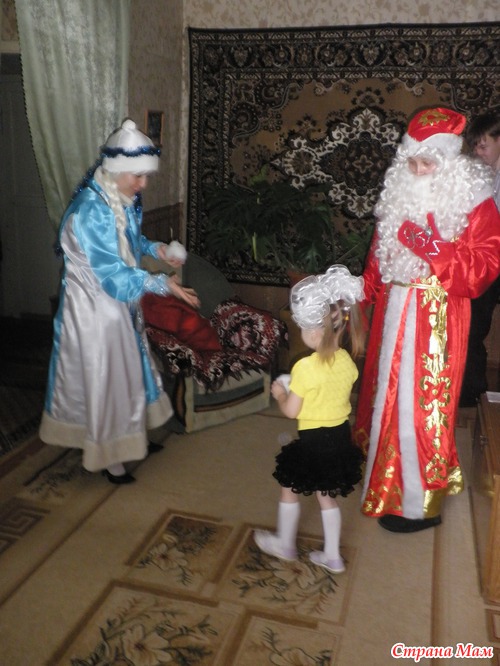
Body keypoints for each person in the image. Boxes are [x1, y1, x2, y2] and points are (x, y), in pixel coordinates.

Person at [353, 106, 500, 533]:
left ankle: (419, 504)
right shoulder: (400, 195)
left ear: (450, 163)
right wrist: (360, 294)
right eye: (412, 162)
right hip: (392, 312)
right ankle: (387, 486)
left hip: (438, 316)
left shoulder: (475, 202)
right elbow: (378, 258)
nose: (417, 172)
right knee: (384, 399)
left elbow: (483, 269)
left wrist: (430, 246)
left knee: (423, 408)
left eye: (428, 164)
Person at [39, 118, 199, 484]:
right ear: (116, 169)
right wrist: (162, 284)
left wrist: (156, 249)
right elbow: (111, 273)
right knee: (107, 379)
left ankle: (131, 436)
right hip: (94, 310)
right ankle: (110, 456)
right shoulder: (91, 210)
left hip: (116, 303)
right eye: (138, 176)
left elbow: (129, 241)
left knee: (130, 371)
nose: (143, 184)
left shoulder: (117, 197)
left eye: (145, 176)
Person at [254, 265, 365, 573]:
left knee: (288, 487)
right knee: (327, 497)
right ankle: (332, 556)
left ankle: (285, 544)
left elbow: (292, 411)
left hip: (313, 440)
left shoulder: (304, 368)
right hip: (339, 437)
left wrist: (281, 393)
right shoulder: (347, 362)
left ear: (314, 332)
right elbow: (328, 393)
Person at [459, 109, 500, 406]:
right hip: (486, 263)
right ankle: (471, 391)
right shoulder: (481, 176)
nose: (477, 152)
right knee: (472, 325)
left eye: (483, 145)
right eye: (474, 146)